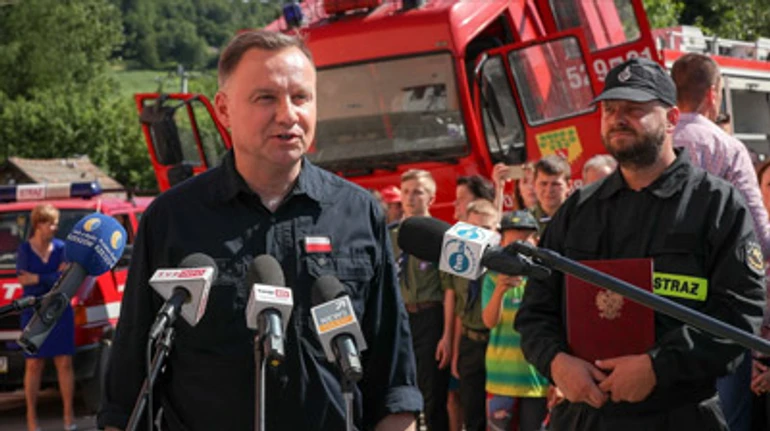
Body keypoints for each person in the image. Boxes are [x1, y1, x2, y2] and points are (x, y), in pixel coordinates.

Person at [98, 30, 421, 431]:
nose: (288, 114)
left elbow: (393, 379)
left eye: (301, 97)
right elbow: (129, 383)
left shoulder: (358, 214)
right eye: (265, 98)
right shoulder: (171, 219)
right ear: (223, 109)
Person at [515, 57, 766, 430]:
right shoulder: (579, 209)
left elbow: (739, 313)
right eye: (610, 109)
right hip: (586, 416)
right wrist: (556, 363)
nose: (618, 118)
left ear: (671, 120)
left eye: (634, 109)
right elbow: (536, 309)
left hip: (679, 415)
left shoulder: (715, 204)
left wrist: (657, 367)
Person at [671, 52, 770, 431]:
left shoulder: (654, 145)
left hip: (656, 308)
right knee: (726, 418)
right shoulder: (727, 149)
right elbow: (758, 238)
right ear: (713, 93)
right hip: (718, 311)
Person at [390, 168, 454, 431]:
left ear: (431, 198)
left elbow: (450, 289)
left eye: (418, 192)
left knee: (432, 394)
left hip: (431, 317)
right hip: (402, 318)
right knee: (403, 390)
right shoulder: (391, 236)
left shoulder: (442, 236)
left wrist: (447, 336)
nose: (410, 198)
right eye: (405, 192)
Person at [481, 210, 548, 431]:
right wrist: (500, 289)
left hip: (536, 380)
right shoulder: (491, 277)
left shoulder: (544, 279)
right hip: (502, 378)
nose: (519, 247)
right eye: (513, 241)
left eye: (525, 240)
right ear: (502, 242)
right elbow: (489, 321)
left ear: (536, 241)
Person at [17, 204, 75, 431]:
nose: (55, 227)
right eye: (50, 222)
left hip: (59, 310)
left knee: (64, 363)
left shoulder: (62, 248)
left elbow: (64, 279)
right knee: (33, 364)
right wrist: (51, 276)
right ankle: (32, 420)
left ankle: (68, 418)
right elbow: (23, 281)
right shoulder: (24, 250)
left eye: (56, 223)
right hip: (34, 312)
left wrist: (38, 278)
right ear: (38, 224)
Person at [451, 199, 498, 431]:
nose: (481, 235)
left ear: (496, 229)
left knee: (499, 415)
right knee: (472, 413)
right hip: (470, 343)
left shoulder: (502, 264)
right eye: (475, 228)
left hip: (497, 344)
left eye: (487, 228)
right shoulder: (460, 262)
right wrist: (456, 352)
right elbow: (460, 309)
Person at [530, 155, 572, 233]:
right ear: (534, 185)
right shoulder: (525, 222)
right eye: (543, 184)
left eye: (555, 184)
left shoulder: (581, 217)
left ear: (569, 185)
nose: (549, 190)